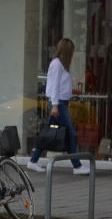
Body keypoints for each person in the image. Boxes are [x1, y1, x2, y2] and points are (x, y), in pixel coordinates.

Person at [26, 37, 88, 175]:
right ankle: (76, 166)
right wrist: (55, 105)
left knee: (47, 134)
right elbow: (54, 87)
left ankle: (33, 160)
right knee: (70, 133)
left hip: (60, 103)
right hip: (58, 104)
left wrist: (72, 91)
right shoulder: (57, 64)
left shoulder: (60, 65)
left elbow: (59, 86)